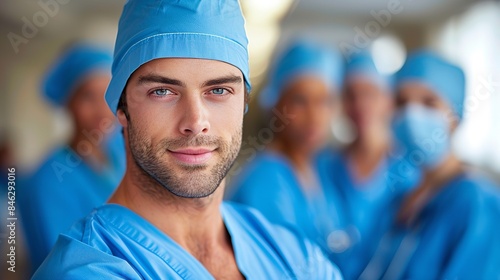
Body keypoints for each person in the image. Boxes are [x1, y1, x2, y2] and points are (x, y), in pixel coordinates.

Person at [33, 1, 342, 279]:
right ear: (121, 106)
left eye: (219, 91)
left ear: (243, 104)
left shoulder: (291, 254)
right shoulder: (88, 271)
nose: (196, 123)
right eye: (162, 92)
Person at [360, 50, 500, 280]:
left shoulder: (480, 206)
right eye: (402, 102)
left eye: (429, 103)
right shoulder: (401, 197)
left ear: (455, 116)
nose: (411, 114)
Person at [229, 40, 344, 257]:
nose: (314, 116)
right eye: (300, 101)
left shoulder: (316, 168)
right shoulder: (266, 179)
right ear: (274, 102)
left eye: (324, 101)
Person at [19, 44, 125, 272]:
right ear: (68, 102)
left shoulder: (119, 155)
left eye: (107, 96)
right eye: (88, 97)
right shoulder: (49, 180)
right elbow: (65, 267)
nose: (101, 110)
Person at [315, 52, 420, 279]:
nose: (359, 104)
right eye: (350, 95)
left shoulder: (412, 173)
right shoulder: (322, 166)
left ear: (388, 100)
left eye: (369, 93)